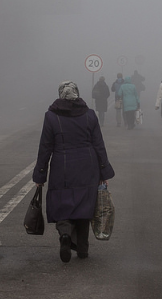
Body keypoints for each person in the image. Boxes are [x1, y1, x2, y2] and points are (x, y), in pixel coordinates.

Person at [32, 81, 115, 263]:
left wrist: (40, 175)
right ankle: (83, 250)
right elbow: (98, 145)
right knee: (84, 206)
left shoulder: (51, 117)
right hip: (88, 165)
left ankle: (65, 234)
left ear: (61, 94)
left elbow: (45, 147)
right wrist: (104, 173)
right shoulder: (90, 115)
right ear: (77, 94)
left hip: (62, 166)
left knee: (63, 204)